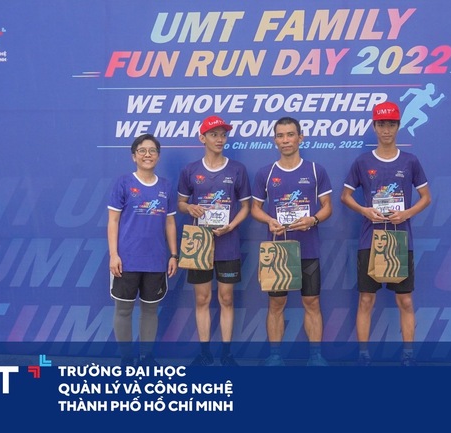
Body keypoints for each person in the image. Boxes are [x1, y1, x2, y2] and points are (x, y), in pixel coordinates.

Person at [341, 101, 432, 366]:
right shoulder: (363, 161)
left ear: (398, 126)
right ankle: (363, 356)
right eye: (381, 124)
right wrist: (364, 210)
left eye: (391, 124)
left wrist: (407, 214)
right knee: (366, 300)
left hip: (400, 241)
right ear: (374, 127)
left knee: (405, 300)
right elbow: (345, 196)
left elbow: (426, 197)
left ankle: (408, 355)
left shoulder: (410, 161)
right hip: (370, 240)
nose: (386, 130)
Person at [251, 116, 332, 366]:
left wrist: (313, 220)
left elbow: (327, 207)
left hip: (308, 249)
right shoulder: (266, 173)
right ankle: (275, 357)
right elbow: (255, 208)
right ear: (274, 140)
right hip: (278, 251)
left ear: (300, 137)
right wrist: (269, 220)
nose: (285, 140)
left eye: (290, 134)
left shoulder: (316, 170)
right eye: (280, 135)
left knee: (312, 302)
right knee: (276, 303)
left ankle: (316, 357)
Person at [178, 115, 251, 367]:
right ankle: (205, 352)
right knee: (202, 299)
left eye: (223, 135)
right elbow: (181, 203)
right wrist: (190, 208)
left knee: (226, 298)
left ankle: (226, 353)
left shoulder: (237, 169)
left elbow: (246, 206)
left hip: (227, 242)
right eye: (214, 135)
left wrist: (232, 225)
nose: (220, 139)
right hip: (199, 244)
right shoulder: (190, 170)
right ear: (202, 138)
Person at [108, 133, 178, 367]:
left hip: (155, 261)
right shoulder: (124, 183)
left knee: (150, 311)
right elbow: (113, 221)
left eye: (152, 151)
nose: (147, 155)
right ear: (134, 156)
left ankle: (147, 357)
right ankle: (126, 359)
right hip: (126, 260)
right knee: (123, 310)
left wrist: (174, 254)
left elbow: (170, 223)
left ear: (158, 156)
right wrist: (114, 255)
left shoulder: (166, 186)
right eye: (142, 151)